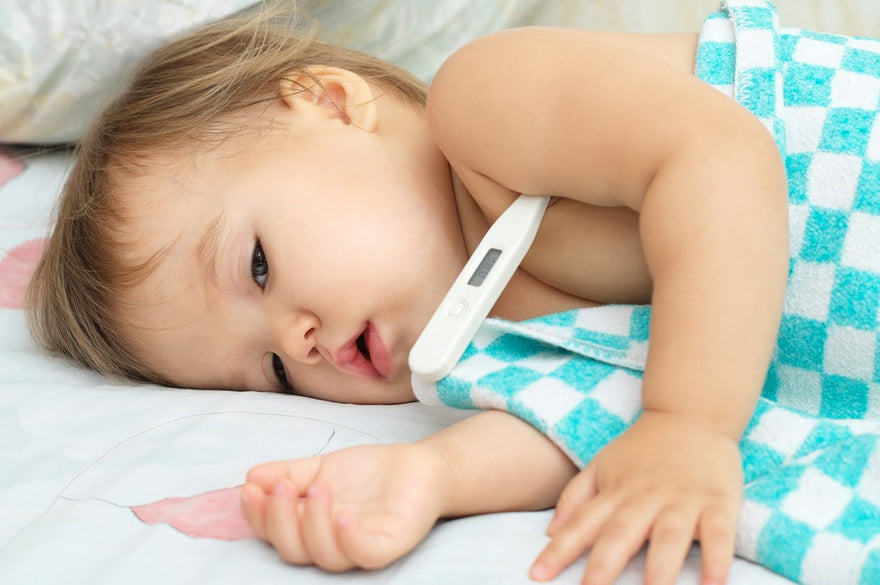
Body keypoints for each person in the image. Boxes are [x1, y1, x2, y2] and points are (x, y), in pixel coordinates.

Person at [26, 1, 880, 584]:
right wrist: (428, 476)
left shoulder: (486, 111)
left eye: (257, 266)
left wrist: (687, 422)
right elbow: (587, 421)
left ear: (332, 104)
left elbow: (718, 156)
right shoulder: (479, 350)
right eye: (273, 372)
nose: (297, 341)